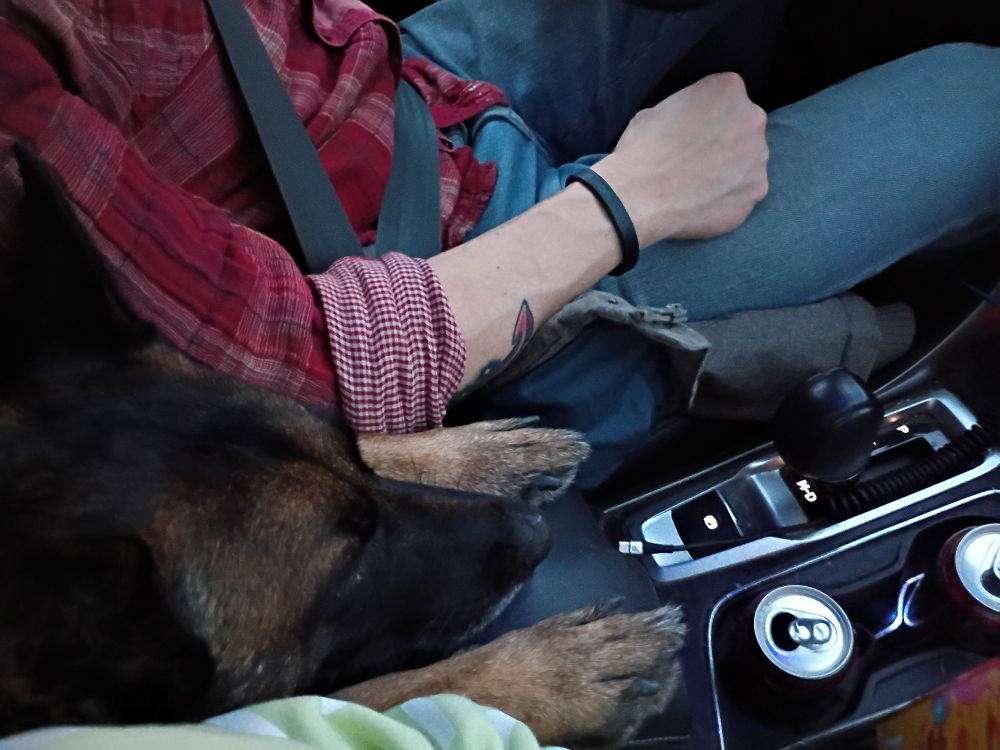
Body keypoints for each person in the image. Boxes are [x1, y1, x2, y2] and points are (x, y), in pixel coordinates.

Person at [1, 0, 998, 485]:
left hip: (395, 83)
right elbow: (300, 367)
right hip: (446, 287)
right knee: (979, 94)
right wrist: (632, 196)